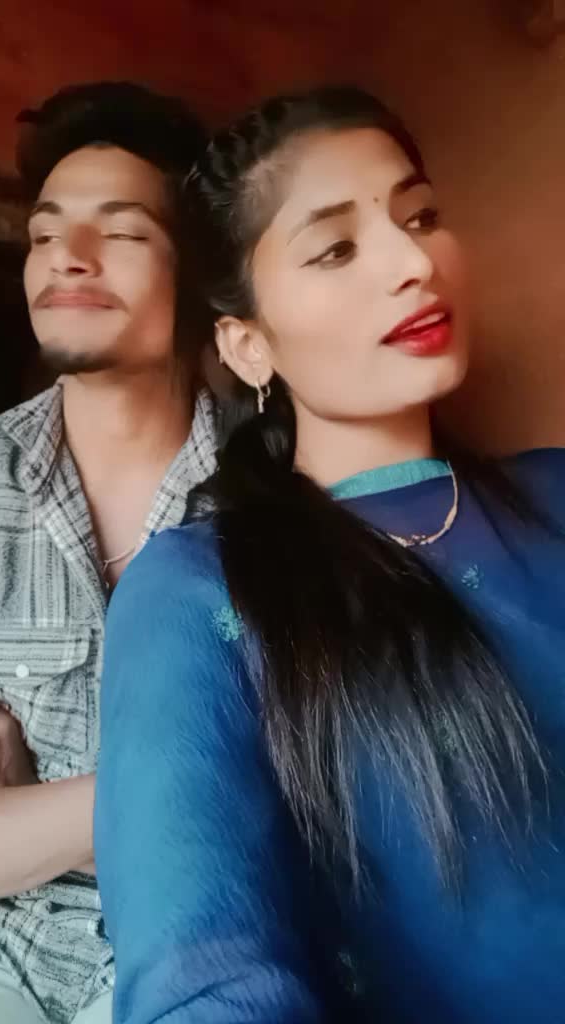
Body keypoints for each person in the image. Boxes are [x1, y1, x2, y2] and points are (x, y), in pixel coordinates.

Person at [95, 85, 565, 1023]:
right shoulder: (197, 592)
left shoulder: (555, 489)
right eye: (337, 248)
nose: (414, 262)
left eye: (420, 217)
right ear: (247, 345)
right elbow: (203, 976)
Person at [0, 82, 216, 1024]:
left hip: (202, 951)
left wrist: (42, 816)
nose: (65, 257)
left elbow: (319, 809)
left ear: (199, 271)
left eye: (120, 231)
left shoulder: (280, 494)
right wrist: (190, 791)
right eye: (44, 234)